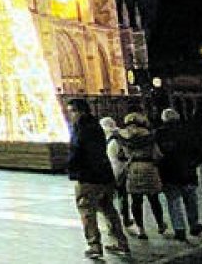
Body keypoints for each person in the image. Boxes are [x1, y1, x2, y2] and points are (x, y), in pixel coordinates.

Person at [67, 99, 130, 260]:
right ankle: (121, 242)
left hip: (88, 177)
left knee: (87, 211)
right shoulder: (96, 126)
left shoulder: (81, 129)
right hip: (105, 175)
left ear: (80, 111)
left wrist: (72, 168)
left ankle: (94, 246)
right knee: (109, 209)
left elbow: (77, 151)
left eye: (72, 111)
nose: (70, 115)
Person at [155, 108, 202, 241]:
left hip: (169, 173)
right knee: (191, 201)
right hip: (188, 172)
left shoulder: (159, 134)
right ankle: (194, 224)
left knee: (174, 202)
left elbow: (157, 154)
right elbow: (199, 150)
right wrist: (194, 163)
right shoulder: (188, 131)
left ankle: (179, 229)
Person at [116, 112, 166, 239]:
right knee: (153, 199)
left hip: (133, 168)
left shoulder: (123, 136)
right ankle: (160, 224)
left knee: (136, 201)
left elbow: (120, 155)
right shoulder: (149, 136)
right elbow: (158, 155)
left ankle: (141, 229)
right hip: (149, 167)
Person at [100, 117, 133, 228]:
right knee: (123, 196)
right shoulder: (121, 135)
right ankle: (126, 218)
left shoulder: (111, 139)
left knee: (108, 199)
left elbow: (112, 158)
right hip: (124, 169)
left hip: (114, 171)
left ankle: (113, 224)